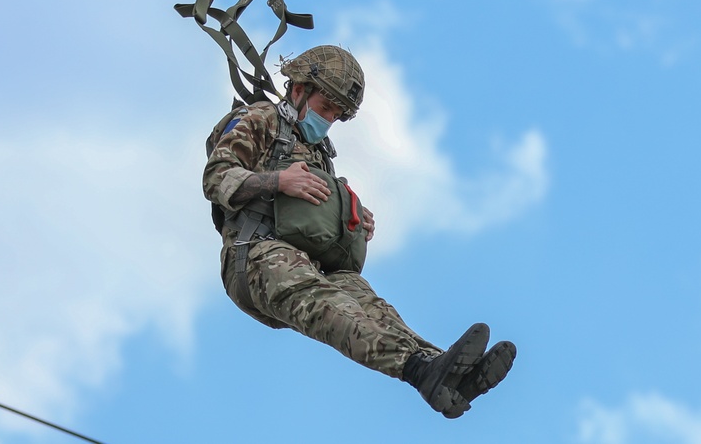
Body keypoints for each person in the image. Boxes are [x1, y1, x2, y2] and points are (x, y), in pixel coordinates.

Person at [203, 45, 515, 417]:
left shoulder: (317, 151)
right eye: (326, 107)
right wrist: (277, 181)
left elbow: (308, 213)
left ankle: (441, 370)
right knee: (326, 305)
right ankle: (421, 370)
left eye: (337, 114)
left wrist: (351, 217)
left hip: (311, 259)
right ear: (299, 89)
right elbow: (216, 176)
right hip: (256, 254)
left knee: (372, 306)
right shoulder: (261, 118)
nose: (329, 119)